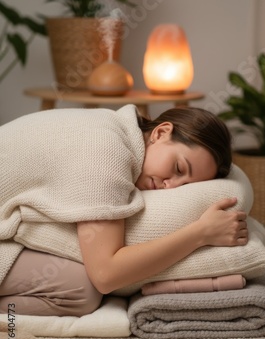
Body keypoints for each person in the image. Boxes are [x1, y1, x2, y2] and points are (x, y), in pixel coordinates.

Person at [0, 104, 248, 317]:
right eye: (179, 168)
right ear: (161, 133)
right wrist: (200, 234)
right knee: (79, 289)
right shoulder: (106, 153)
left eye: (185, 186)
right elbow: (105, 275)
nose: (170, 186)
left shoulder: (114, 128)